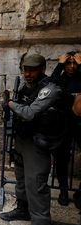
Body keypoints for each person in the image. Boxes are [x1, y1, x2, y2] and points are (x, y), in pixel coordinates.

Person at [0, 54, 65, 225]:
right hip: (23, 139)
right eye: (25, 69)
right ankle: (23, 209)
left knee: (36, 184)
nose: (27, 74)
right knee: (21, 178)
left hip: (38, 143)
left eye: (32, 70)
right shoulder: (26, 86)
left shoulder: (49, 89)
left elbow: (28, 113)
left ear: (42, 69)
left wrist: (10, 103)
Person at [51, 51, 81, 206]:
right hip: (63, 123)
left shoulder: (79, 79)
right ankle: (63, 190)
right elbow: (50, 85)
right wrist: (59, 64)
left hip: (79, 123)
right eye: (68, 63)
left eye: (74, 63)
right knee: (62, 158)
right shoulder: (61, 79)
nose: (71, 66)